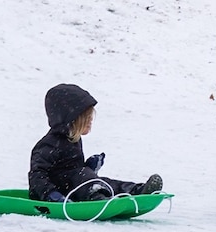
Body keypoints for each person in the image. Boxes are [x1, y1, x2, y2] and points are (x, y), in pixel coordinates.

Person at [28, 83, 162, 201]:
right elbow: (37, 175)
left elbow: (69, 171)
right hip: (59, 192)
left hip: (74, 187)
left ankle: (138, 191)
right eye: (86, 118)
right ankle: (98, 198)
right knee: (86, 179)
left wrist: (89, 167)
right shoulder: (49, 144)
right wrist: (51, 194)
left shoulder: (72, 139)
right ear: (71, 119)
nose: (91, 121)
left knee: (104, 182)